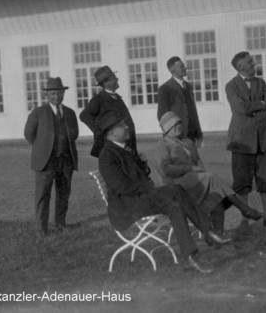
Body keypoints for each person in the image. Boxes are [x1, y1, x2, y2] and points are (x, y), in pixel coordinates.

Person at [97, 111, 231, 274]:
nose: (126, 127)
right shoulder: (107, 156)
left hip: (139, 199)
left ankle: (192, 256)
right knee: (174, 190)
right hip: (126, 207)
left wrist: (142, 163)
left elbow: (141, 176)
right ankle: (208, 231)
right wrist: (149, 189)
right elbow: (122, 187)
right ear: (111, 133)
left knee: (175, 204)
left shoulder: (125, 149)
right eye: (121, 125)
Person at [152, 111, 263, 234]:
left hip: (196, 182)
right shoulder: (162, 146)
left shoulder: (187, 142)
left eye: (179, 124)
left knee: (216, 195)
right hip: (177, 185)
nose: (178, 127)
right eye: (174, 125)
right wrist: (190, 168)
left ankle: (218, 235)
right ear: (167, 129)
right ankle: (244, 208)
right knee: (211, 177)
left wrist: (199, 171)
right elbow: (166, 170)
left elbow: (198, 162)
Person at [225, 52, 266, 230]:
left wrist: (253, 107)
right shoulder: (231, 86)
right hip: (242, 141)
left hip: (263, 139)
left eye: (253, 62)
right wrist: (261, 104)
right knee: (242, 182)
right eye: (250, 63)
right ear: (240, 67)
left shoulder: (261, 82)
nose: (254, 65)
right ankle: (244, 220)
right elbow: (239, 108)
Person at [24, 77, 79, 236]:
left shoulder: (69, 113)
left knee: (63, 194)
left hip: (66, 161)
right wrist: (43, 148)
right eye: (53, 93)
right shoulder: (38, 113)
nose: (57, 96)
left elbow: (74, 134)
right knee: (43, 195)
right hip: (45, 162)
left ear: (63, 94)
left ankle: (60, 224)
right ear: (47, 95)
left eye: (60, 93)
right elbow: (29, 134)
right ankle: (41, 229)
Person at [80, 65, 137, 158]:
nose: (117, 79)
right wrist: (100, 130)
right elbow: (84, 115)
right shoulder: (98, 99)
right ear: (106, 82)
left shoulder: (117, 97)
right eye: (114, 78)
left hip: (127, 142)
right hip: (113, 145)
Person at [157, 56, 203, 148]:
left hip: (192, 134)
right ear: (172, 70)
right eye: (181, 66)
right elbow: (162, 115)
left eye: (184, 66)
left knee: (193, 160)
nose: (185, 68)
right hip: (176, 136)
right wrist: (171, 133)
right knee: (179, 161)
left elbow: (194, 112)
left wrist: (199, 134)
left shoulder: (189, 86)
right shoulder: (165, 88)